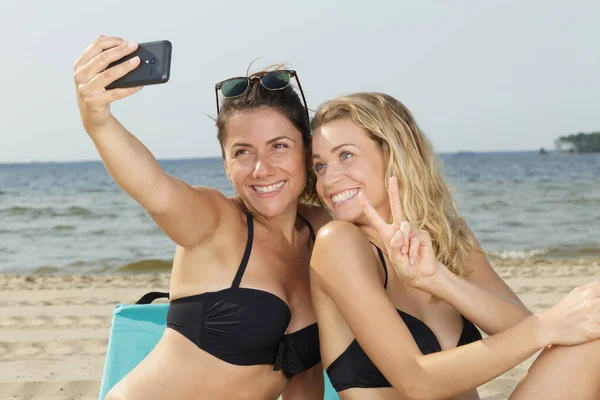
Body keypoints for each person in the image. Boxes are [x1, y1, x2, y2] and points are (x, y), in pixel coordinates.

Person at [73, 35, 330, 399]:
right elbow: (156, 190)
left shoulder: (323, 233)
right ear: (226, 166)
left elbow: (306, 376)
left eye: (279, 146)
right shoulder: (216, 222)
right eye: (243, 152)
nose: (261, 168)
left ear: (306, 151)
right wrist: (97, 121)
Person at [309, 92, 600, 399]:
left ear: (394, 153)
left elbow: (521, 328)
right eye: (319, 166)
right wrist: (548, 324)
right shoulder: (338, 243)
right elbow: (416, 382)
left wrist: (439, 280)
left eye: (345, 156)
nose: (328, 180)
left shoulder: (448, 233)